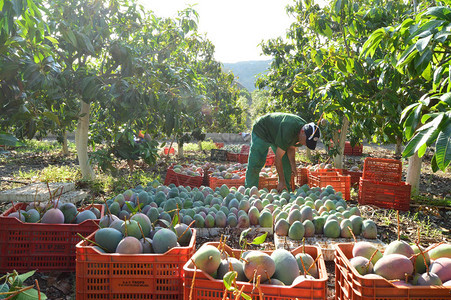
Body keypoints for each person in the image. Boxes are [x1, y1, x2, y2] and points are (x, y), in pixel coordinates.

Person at [244, 112, 321, 192]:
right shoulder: (289, 130)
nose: (305, 144)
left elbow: (291, 148)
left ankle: (285, 190)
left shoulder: (305, 131)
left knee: (286, 165)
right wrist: (281, 181)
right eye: (306, 141)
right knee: (256, 163)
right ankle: (250, 191)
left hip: (277, 135)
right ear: (302, 132)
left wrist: (293, 165)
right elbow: (278, 159)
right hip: (262, 130)